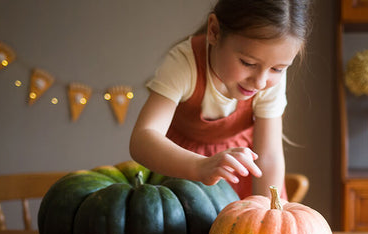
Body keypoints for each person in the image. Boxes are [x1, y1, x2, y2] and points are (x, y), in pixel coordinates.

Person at [129, 0, 312, 199]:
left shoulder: (268, 79)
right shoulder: (184, 64)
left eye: (278, 69)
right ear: (214, 31)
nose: (260, 82)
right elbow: (142, 139)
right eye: (248, 63)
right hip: (181, 170)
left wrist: (267, 213)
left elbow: (268, 157)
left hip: (240, 174)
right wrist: (201, 166)